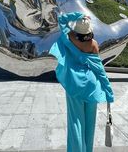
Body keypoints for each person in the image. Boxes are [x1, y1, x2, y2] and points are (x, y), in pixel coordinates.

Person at [49, 11, 114, 152]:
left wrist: (78, 15)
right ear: (89, 31)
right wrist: (109, 92)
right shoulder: (93, 44)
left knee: (75, 122)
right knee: (90, 123)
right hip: (92, 85)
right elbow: (100, 71)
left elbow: (61, 19)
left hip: (74, 84)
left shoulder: (69, 38)